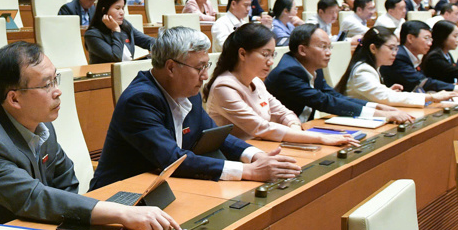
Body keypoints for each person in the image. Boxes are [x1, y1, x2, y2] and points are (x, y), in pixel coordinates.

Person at [0, 42, 180, 230]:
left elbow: (65, 179)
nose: (58, 91)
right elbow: (34, 198)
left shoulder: (43, 126)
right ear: (14, 98)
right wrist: (122, 213)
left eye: (55, 79)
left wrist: (67, 218)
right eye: (46, 84)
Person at [90, 26, 300, 190]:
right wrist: (250, 171)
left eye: (206, 66)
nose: (206, 76)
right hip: (120, 194)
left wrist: (255, 156)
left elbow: (217, 136)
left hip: (164, 188)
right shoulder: (140, 100)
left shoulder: (190, 94)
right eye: (199, 68)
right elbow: (173, 160)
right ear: (171, 67)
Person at [204, 24, 358, 146]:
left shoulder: (256, 81)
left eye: (272, 55)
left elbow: (285, 113)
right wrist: (319, 138)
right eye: (265, 54)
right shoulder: (224, 87)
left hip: (262, 148)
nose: (271, 62)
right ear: (243, 54)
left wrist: (296, 130)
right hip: (236, 156)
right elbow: (262, 128)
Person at [266, 24, 413, 124]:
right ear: (302, 50)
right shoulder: (288, 72)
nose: (329, 53)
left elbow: (334, 95)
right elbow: (324, 101)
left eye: (329, 47)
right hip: (278, 134)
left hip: (302, 128)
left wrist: (376, 107)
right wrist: (382, 115)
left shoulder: (312, 66)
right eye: (323, 47)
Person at [336, 27, 456, 107]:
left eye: (396, 48)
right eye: (391, 48)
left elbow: (382, 95)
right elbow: (387, 98)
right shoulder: (362, 71)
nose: (395, 53)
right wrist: (432, 97)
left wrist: (387, 91)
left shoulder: (372, 67)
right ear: (373, 48)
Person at [379, 20, 458, 93]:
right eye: (426, 38)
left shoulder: (410, 56)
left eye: (430, 39)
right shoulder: (399, 57)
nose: (430, 43)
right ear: (410, 38)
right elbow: (422, 82)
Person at [83, 0, 154, 64]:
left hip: (128, 71)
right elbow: (116, 58)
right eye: (117, 8)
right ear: (104, 10)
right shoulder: (92, 35)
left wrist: (165, 45)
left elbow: (148, 42)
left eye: (123, 8)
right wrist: (116, 30)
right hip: (107, 74)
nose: (122, 12)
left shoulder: (125, 26)